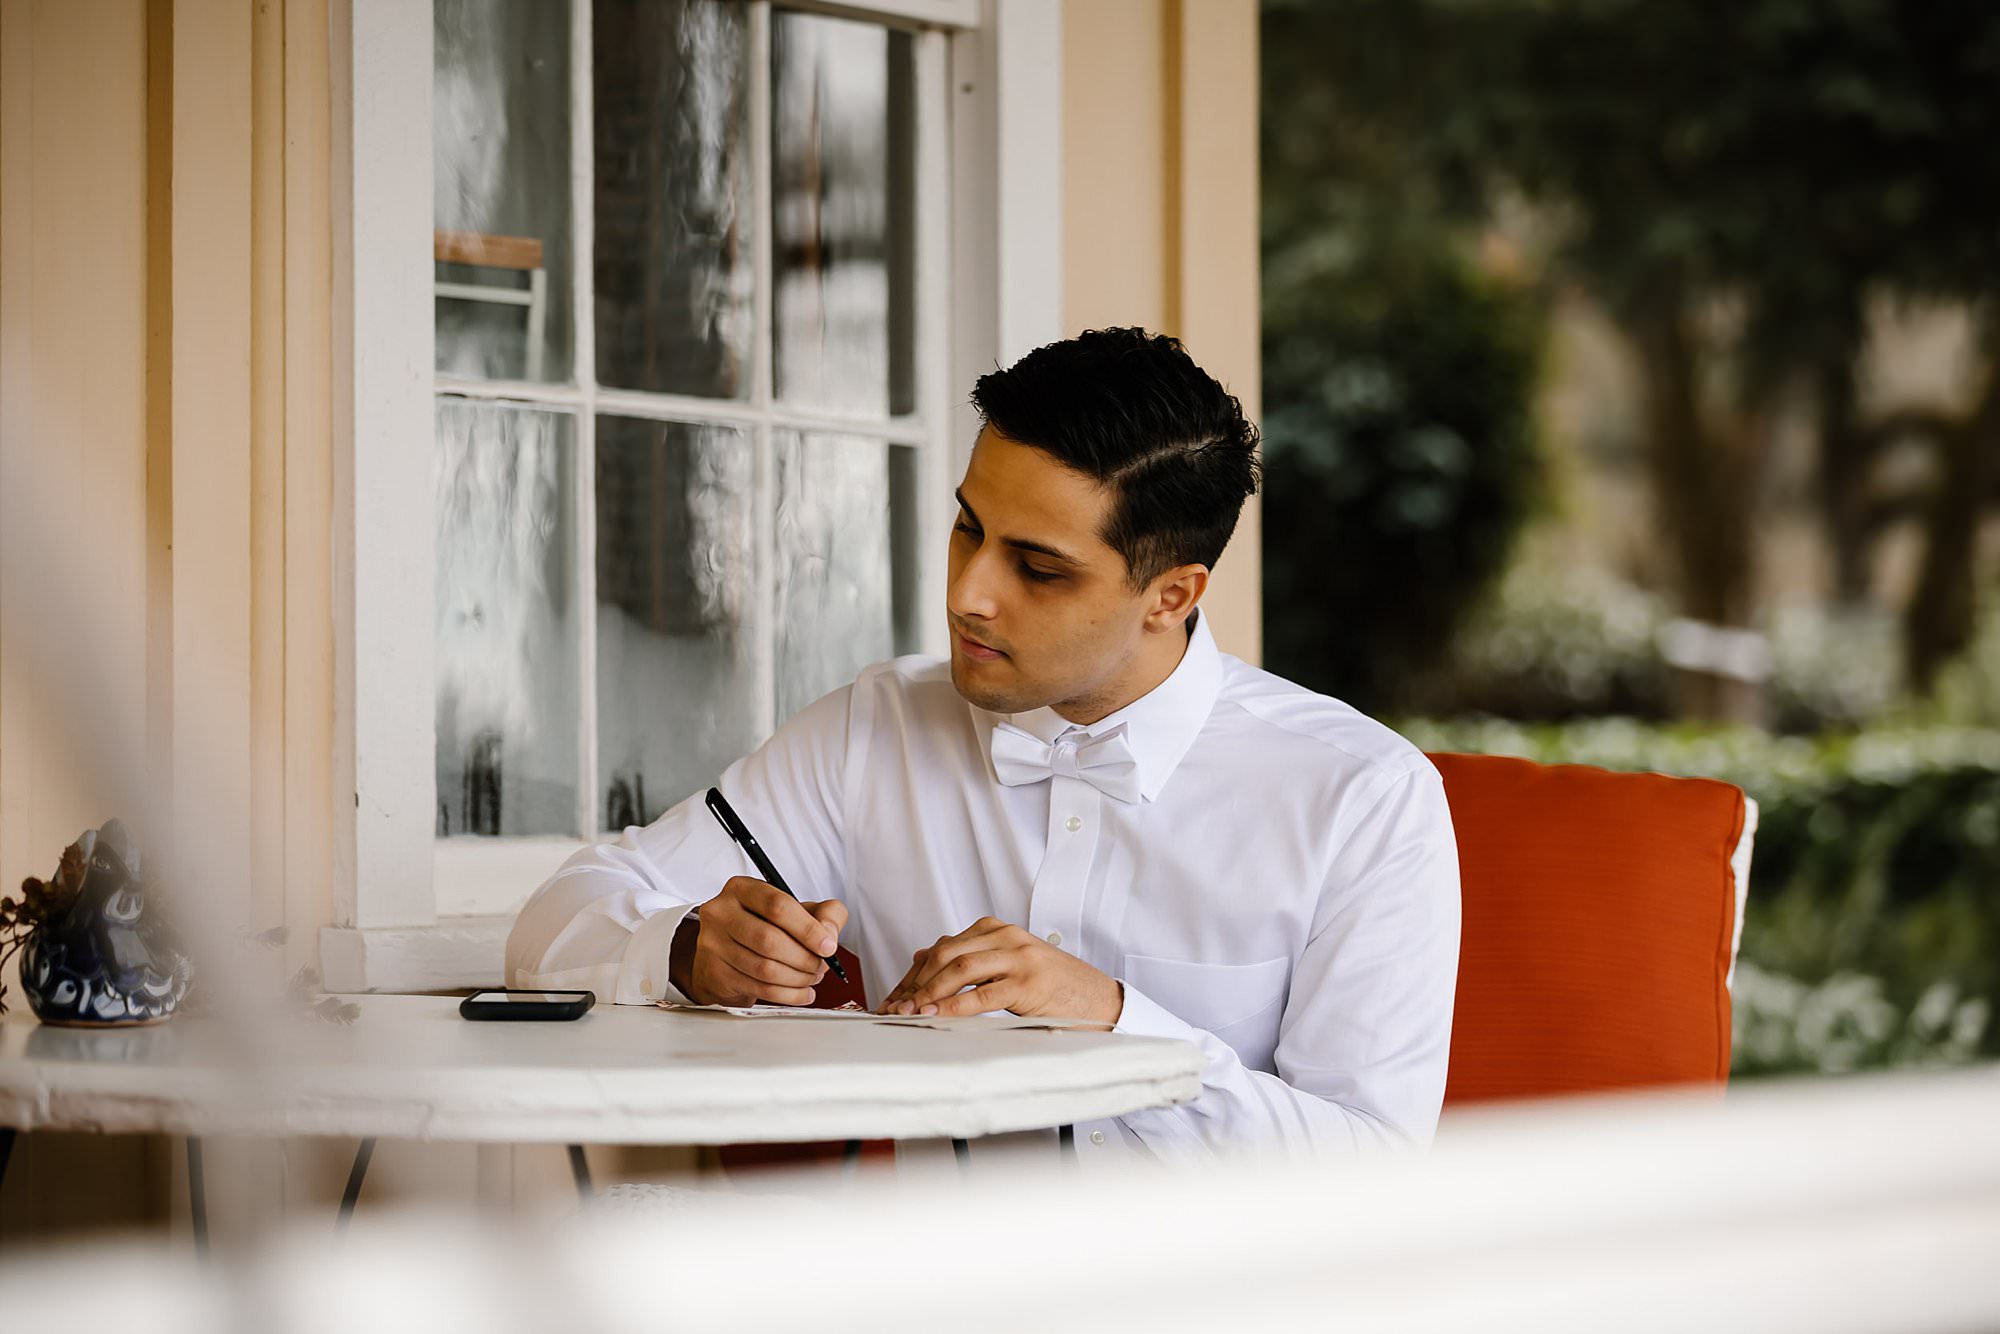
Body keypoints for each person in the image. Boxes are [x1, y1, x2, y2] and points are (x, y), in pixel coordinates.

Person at [507, 327, 1461, 1158]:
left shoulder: (1362, 796)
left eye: (1039, 569)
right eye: (969, 528)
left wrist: (1114, 1023)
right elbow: (558, 917)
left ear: (1171, 596)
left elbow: (1370, 1170)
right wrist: (684, 948)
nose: (968, 592)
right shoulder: (871, 731)